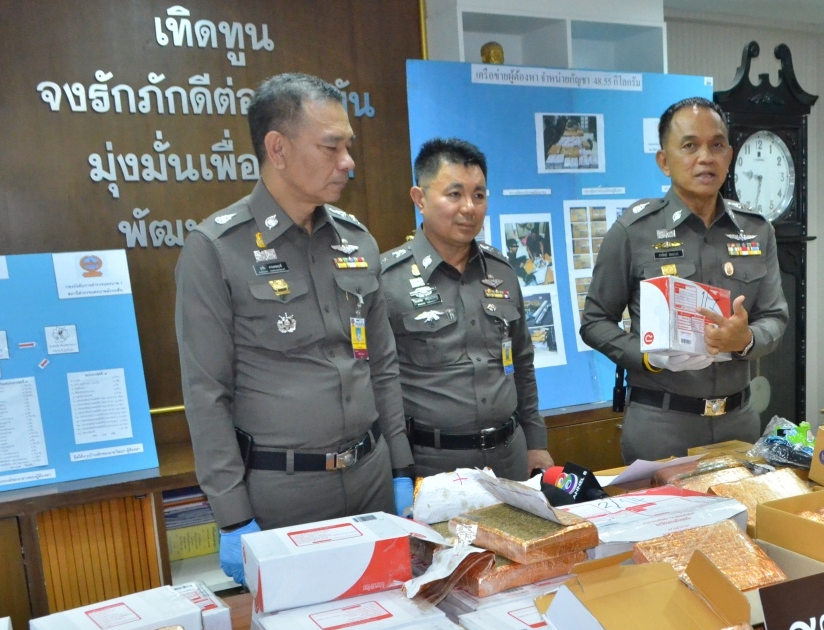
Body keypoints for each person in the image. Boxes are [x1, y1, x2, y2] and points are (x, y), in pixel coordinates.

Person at [175, 73, 415, 585]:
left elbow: (382, 365)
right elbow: (206, 393)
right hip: (283, 494)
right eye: (331, 146)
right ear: (278, 149)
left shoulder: (356, 240)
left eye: (348, 146)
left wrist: (400, 467)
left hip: (372, 479)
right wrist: (232, 515)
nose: (348, 162)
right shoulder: (216, 249)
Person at [580, 97, 789, 463]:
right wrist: (649, 357)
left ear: (729, 156)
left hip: (738, 422)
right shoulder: (633, 232)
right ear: (664, 161)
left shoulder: (756, 230)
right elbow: (594, 322)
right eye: (690, 146)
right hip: (662, 425)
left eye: (717, 145)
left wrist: (746, 340)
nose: (705, 157)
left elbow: (775, 316)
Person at [381, 138, 554, 482]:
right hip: (432, 464)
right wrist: (398, 468)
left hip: (509, 456)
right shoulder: (388, 280)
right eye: (455, 194)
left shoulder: (502, 271)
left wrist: (536, 442)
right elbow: (379, 383)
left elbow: (522, 361)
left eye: (479, 195)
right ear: (420, 198)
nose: (469, 208)